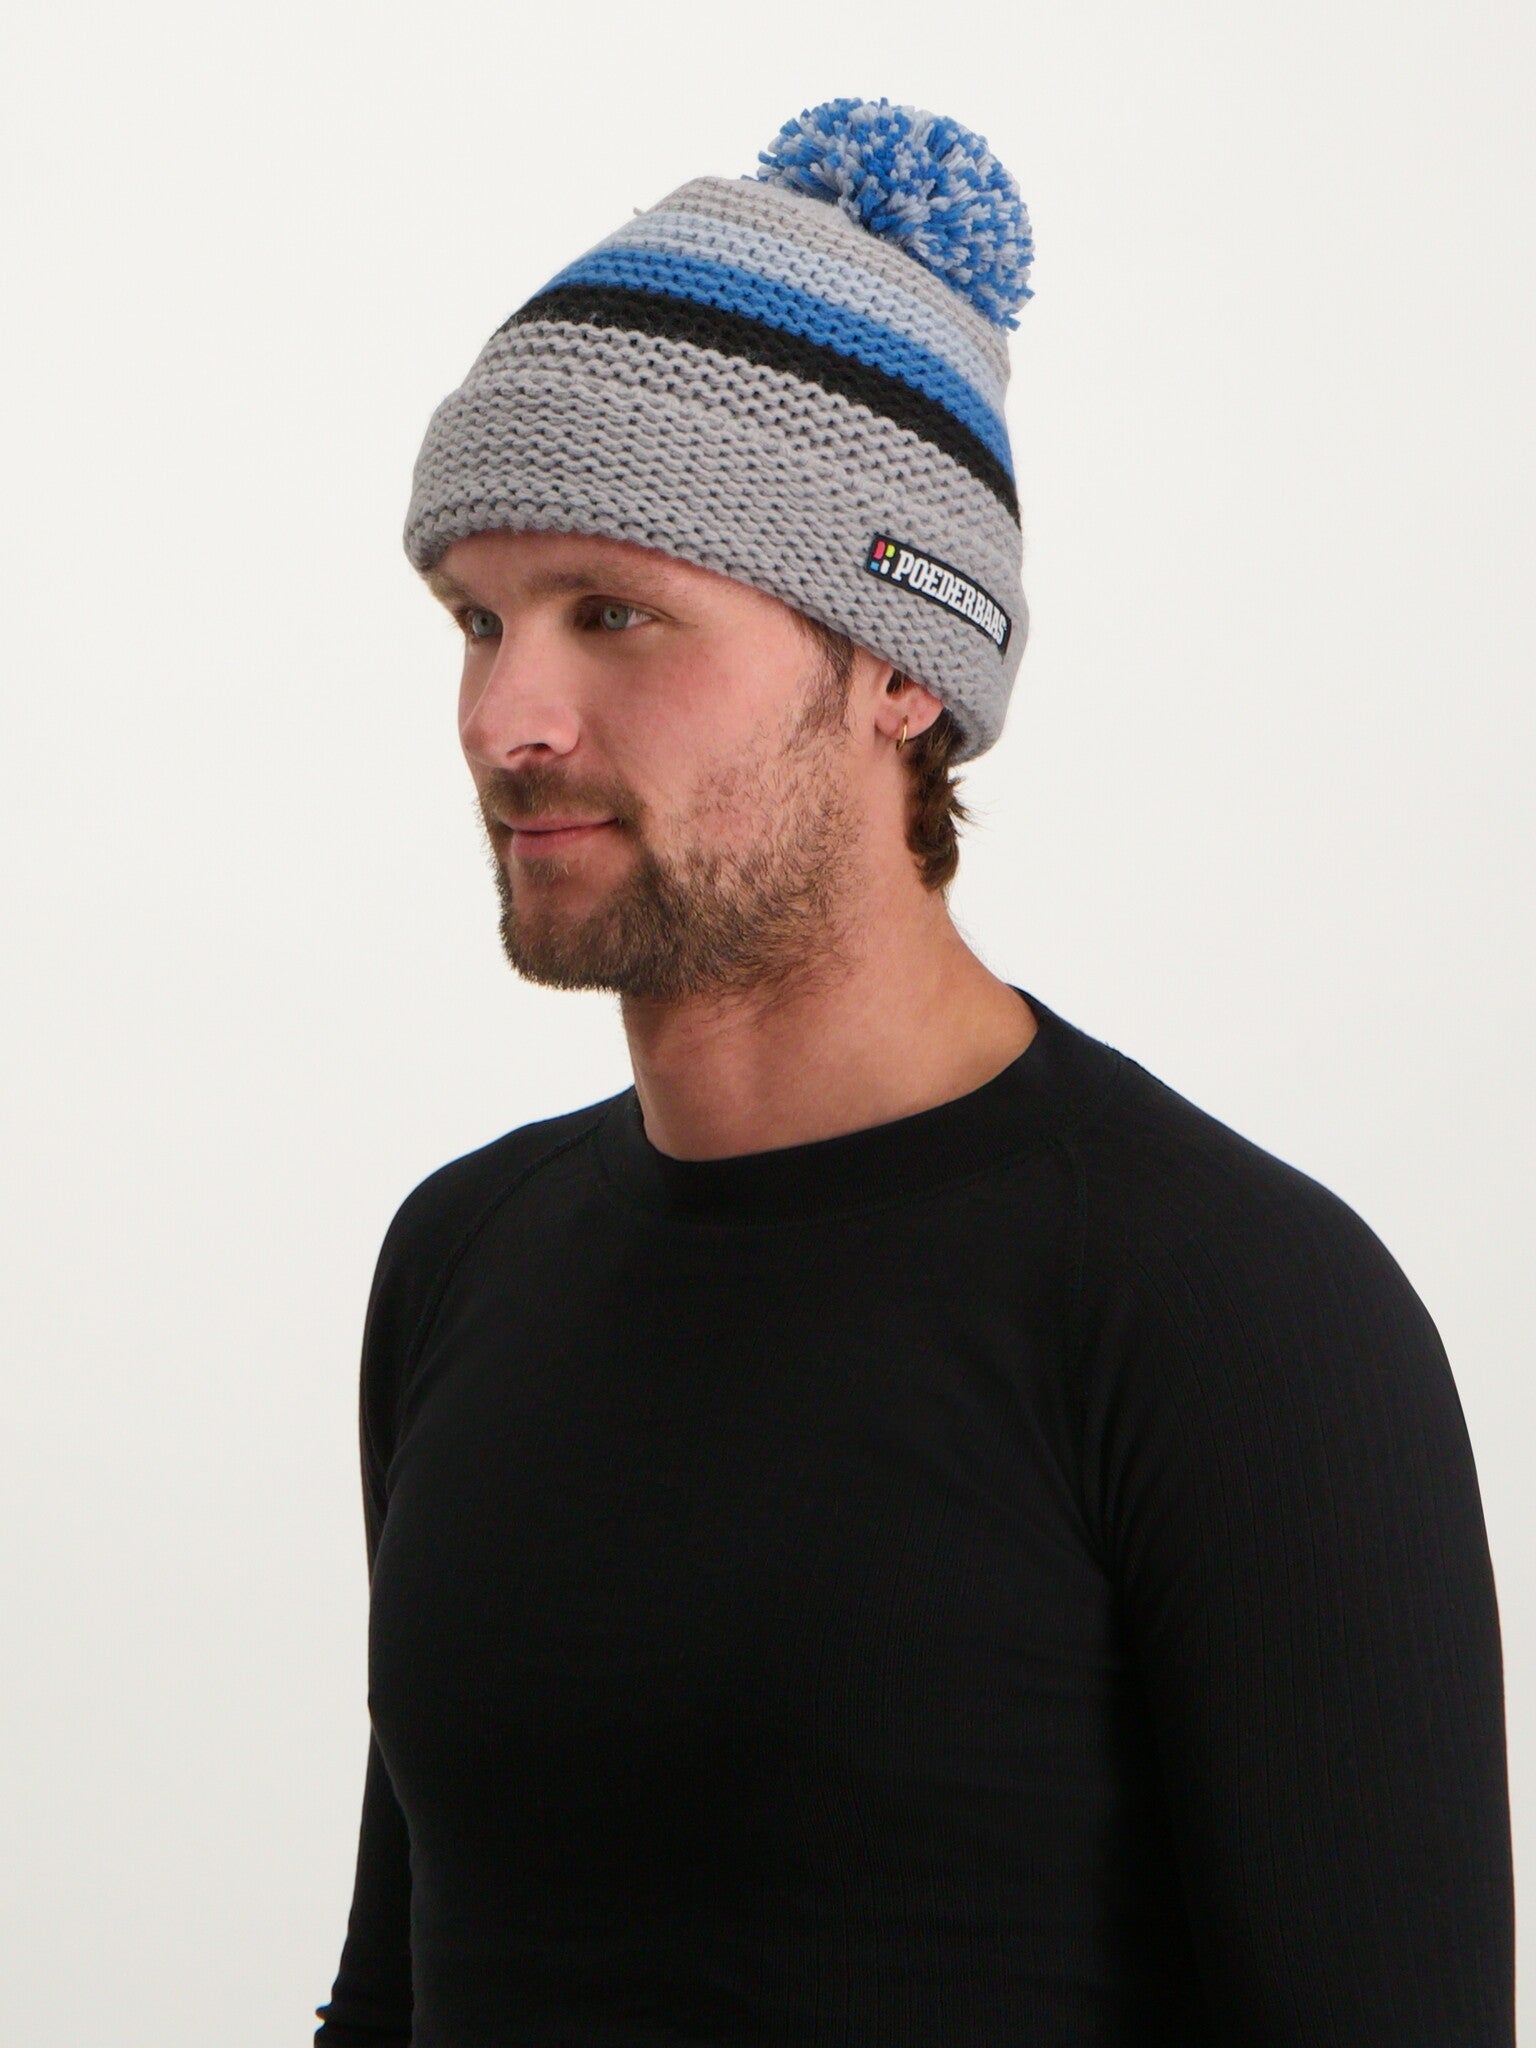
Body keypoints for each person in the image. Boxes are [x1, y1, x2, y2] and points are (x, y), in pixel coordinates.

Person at [313, 98, 1514, 2047]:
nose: (505, 716)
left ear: (900, 666)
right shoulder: (465, 1256)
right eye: (478, 618)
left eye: (614, 614)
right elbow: (400, 1991)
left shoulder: (1230, 1307)